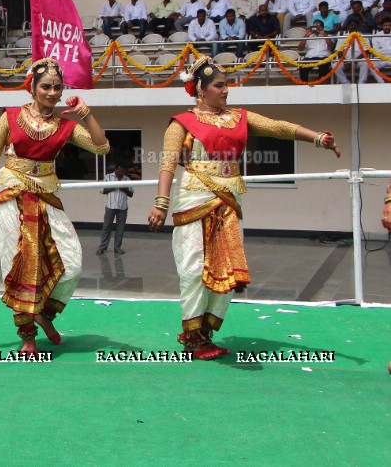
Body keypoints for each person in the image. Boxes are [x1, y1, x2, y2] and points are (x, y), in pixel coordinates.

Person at [146, 56, 340, 360]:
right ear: (201, 89)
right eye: (220, 85)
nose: (226, 90)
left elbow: (278, 127)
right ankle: (192, 338)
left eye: (227, 85)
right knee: (194, 268)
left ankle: (206, 334)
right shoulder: (181, 123)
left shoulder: (239, 118)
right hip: (194, 198)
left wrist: (317, 138)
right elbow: (167, 163)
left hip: (228, 201)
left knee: (228, 266)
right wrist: (160, 202)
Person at [0, 58, 109, 355]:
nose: (52, 92)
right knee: (17, 264)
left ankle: (43, 311)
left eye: (57, 87)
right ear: (32, 87)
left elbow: (101, 146)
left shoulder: (65, 126)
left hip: (46, 194)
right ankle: (27, 334)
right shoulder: (9, 117)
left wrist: (85, 113)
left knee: (71, 264)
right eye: (46, 86)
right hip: (10, 193)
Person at [97, 162, 133, 255]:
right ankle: (102, 247)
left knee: (120, 229)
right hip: (110, 206)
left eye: (122, 171)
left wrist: (124, 189)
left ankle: (117, 248)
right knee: (106, 227)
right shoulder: (108, 177)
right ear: (116, 169)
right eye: (119, 171)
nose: (121, 173)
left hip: (123, 207)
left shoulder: (127, 179)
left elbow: (131, 193)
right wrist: (111, 188)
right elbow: (101, 190)